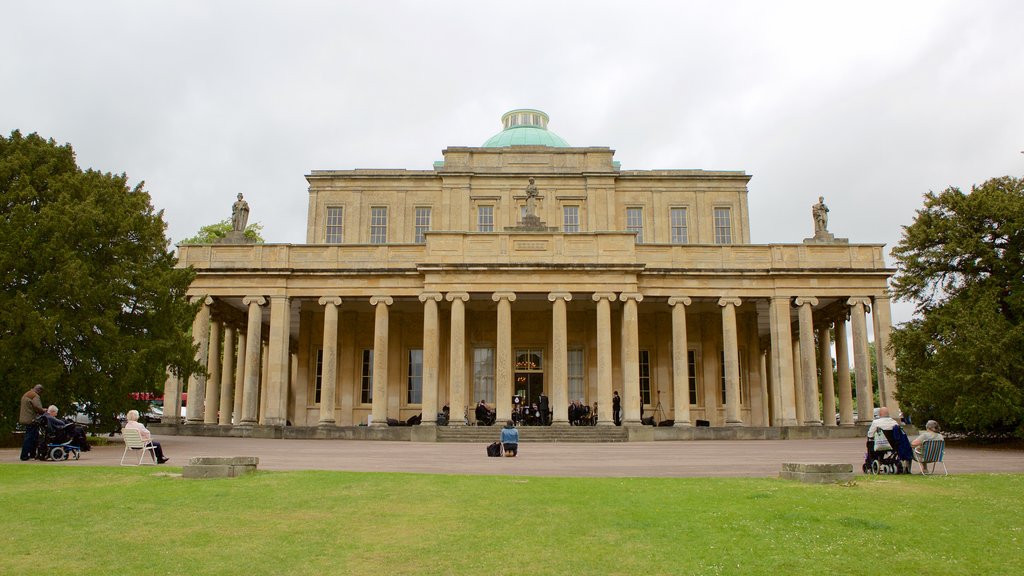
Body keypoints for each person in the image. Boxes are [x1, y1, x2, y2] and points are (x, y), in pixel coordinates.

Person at [19, 385, 45, 461]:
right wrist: (43, 411)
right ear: (39, 391)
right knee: (29, 437)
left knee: (34, 436)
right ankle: (24, 455)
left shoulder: (26, 394)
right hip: (31, 419)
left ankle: (32, 454)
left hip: (24, 418)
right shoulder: (35, 396)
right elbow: (37, 407)